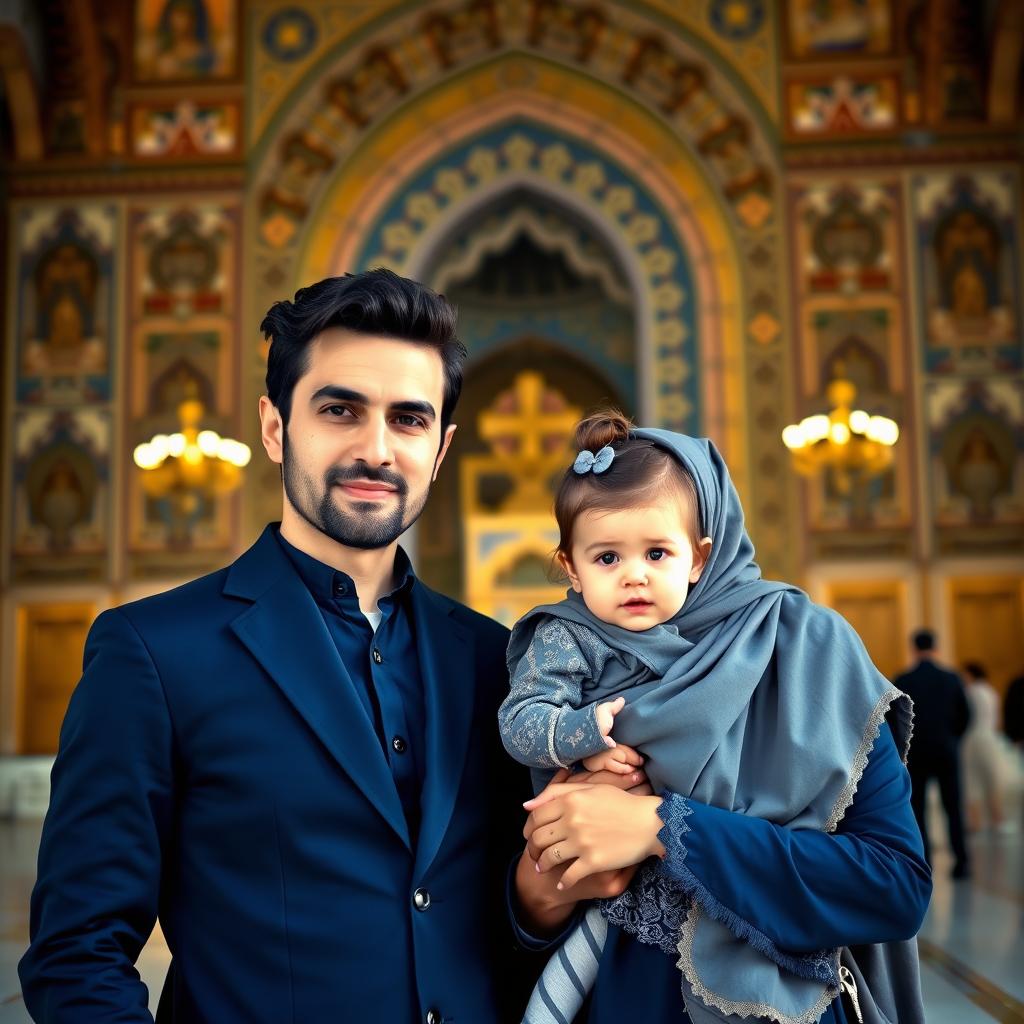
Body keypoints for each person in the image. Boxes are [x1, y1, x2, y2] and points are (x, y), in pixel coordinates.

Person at [21, 269, 555, 1022]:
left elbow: (495, 922)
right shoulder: (153, 653)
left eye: (408, 420)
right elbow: (78, 953)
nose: (376, 449)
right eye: (340, 410)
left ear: (440, 450)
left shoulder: (494, 660)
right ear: (275, 428)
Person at [508, 412, 932, 1024]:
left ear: (701, 555)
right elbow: (507, 900)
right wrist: (543, 885)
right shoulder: (564, 658)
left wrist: (663, 827)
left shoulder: (805, 649)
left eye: (657, 551)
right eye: (607, 556)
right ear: (571, 565)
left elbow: (894, 888)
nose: (634, 574)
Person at [893, 629, 971, 878]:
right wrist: (952, 738)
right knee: (953, 806)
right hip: (946, 749)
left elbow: (895, 719)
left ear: (913, 649)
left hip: (916, 752)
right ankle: (961, 862)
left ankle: (925, 861)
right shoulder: (951, 678)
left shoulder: (903, 679)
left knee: (918, 809)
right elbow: (965, 715)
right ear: (936, 647)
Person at [961, 662, 1005, 831]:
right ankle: (997, 819)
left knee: (971, 780)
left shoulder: (969, 692)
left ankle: (975, 822)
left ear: (971, 674)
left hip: (971, 738)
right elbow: (997, 718)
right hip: (990, 736)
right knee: (992, 778)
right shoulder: (990, 691)